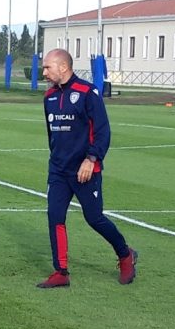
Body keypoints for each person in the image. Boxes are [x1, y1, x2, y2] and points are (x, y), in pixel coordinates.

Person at [37, 48, 138, 288]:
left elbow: (103, 131)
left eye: (47, 67)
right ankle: (61, 271)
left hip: (85, 169)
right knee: (55, 216)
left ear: (63, 67)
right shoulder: (49, 96)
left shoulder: (87, 92)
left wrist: (91, 159)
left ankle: (125, 254)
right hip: (58, 170)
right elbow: (52, 134)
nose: (44, 72)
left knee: (94, 218)